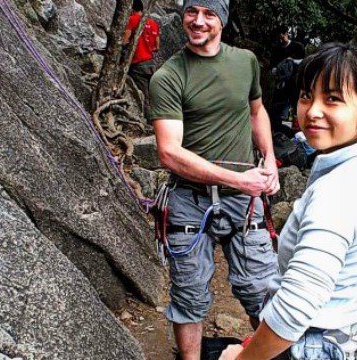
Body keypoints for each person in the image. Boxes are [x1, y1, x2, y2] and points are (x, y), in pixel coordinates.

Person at [218, 42, 357, 360]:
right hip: (351, 340)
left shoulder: (339, 191)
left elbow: (296, 307)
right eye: (306, 96)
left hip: (314, 346)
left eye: (332, 99)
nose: (313, 111)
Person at [148, 1, 280, 359]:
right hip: (190, 200)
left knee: (261, 289)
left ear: (222, 19)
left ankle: (267, 356)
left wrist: (269, 159)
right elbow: (169, 152)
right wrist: (239, 180)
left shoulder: (245, 62)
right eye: (192, 11)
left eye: (209, 13)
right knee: (189, 294)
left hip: (245, 199)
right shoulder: (169, 77)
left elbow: (256, 111)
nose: (199, 21)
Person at [123, 0, 161, 112]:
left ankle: (149, 121)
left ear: (131, 9)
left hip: (138, 64)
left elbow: (124, 41)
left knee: (143, 95)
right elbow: (157, 47)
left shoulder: (132, 20)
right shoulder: (153, 23)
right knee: (153, 94)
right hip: (151, 64)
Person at [268, 33, 305, 138]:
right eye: (278, 38)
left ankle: (294, 135)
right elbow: (272, 67)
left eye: (282, 37)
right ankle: (277, 133)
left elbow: (304, 62)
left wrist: (292, 61)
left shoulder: (297, 47)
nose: (280, 40)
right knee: (277, 109)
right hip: (281, 85)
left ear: (287, 34)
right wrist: (278, 69)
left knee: (294, 109)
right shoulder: (276, 50)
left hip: (294, 85)